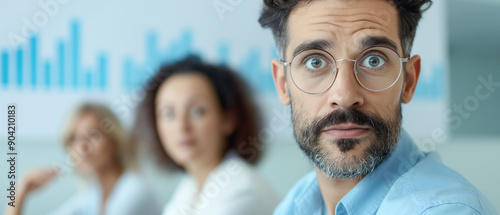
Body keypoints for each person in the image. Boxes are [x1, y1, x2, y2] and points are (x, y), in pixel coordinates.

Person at [258, 0, 497, 214]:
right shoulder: (298, 203)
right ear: (282, 84)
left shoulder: (445, 211)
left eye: (374, 60)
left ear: (409, 81)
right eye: (315, 61)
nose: (344, 96)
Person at [134, 56, 280, 215]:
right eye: (168, 113)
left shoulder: (243, 193)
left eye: (197, 111)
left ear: (228, 118)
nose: (181, 126)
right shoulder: (189, 186)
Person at [5, 103, 161, 215]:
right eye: (74, 139)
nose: (82, 147)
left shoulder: (133, 192)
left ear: (114, 142)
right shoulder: (94, 196)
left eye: (93, 135)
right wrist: (20, 191)